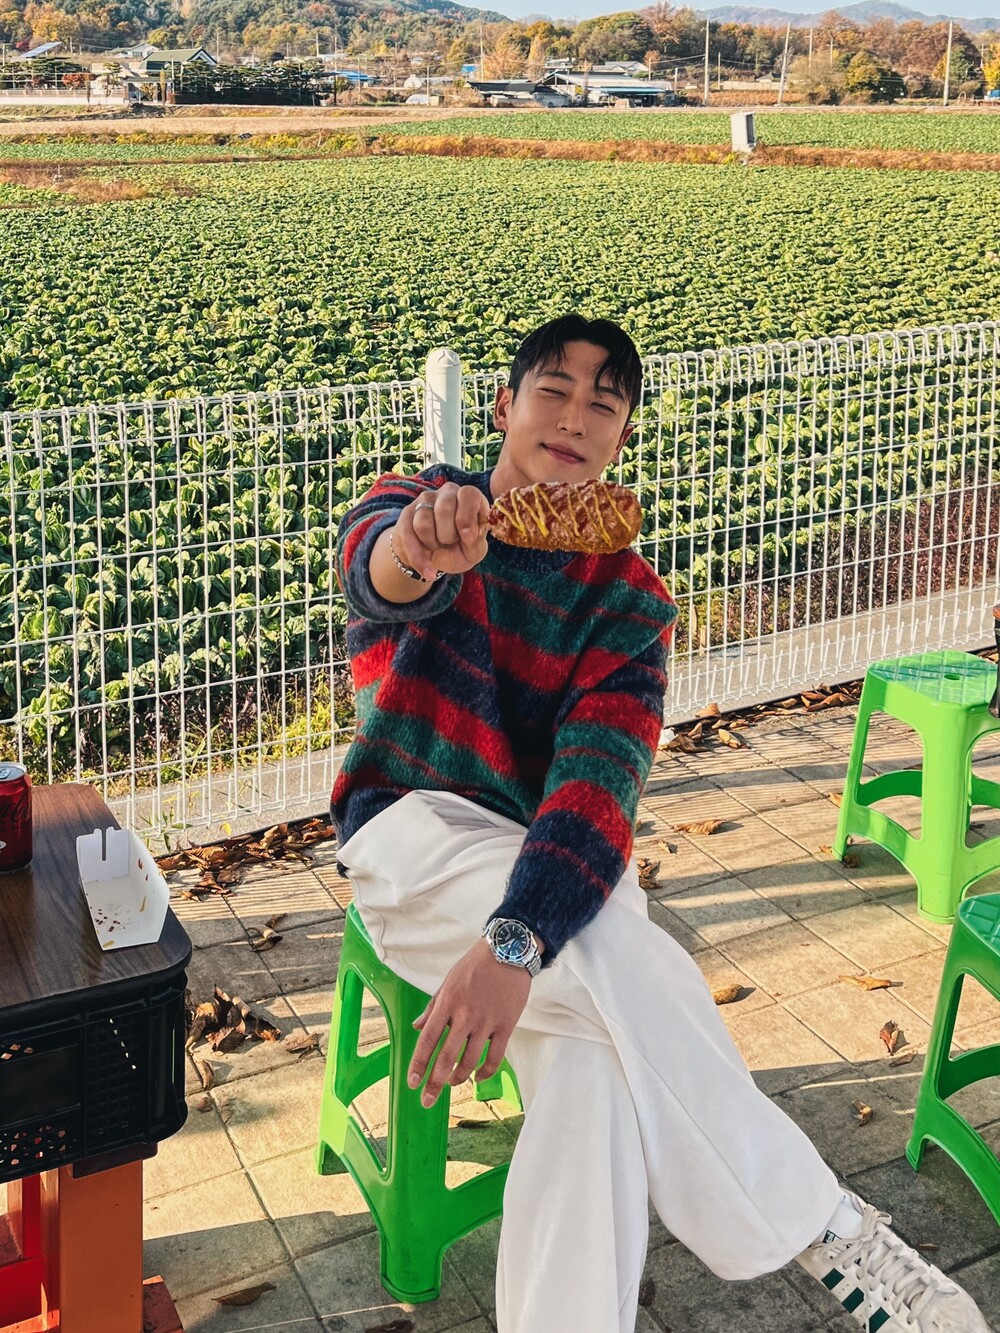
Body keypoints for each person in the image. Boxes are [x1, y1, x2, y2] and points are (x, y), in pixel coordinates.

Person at [330, 314, 992, 1333]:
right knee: (612, 952)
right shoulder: (426, 511)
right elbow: (379, 570)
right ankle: (823, 1223)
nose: (574, 418)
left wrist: (514, 939)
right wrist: (418, 549)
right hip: (412, 833)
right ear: (504, 407)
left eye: (603, 403)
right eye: (553, 390)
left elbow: (598, 787)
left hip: (544, 867)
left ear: (623, 436)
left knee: (596, 1063)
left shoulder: (631, 606)